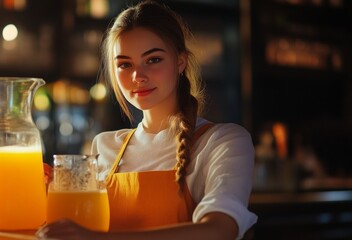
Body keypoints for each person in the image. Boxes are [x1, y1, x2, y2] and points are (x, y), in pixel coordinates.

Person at [36, 1, 257, 239]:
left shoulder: (223, 142)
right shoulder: (105, 146)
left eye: (153, 60)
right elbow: (75, 224)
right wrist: (46, 192)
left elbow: (220, 230)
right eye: (124, 64)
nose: (137, 76)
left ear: (180, 62)